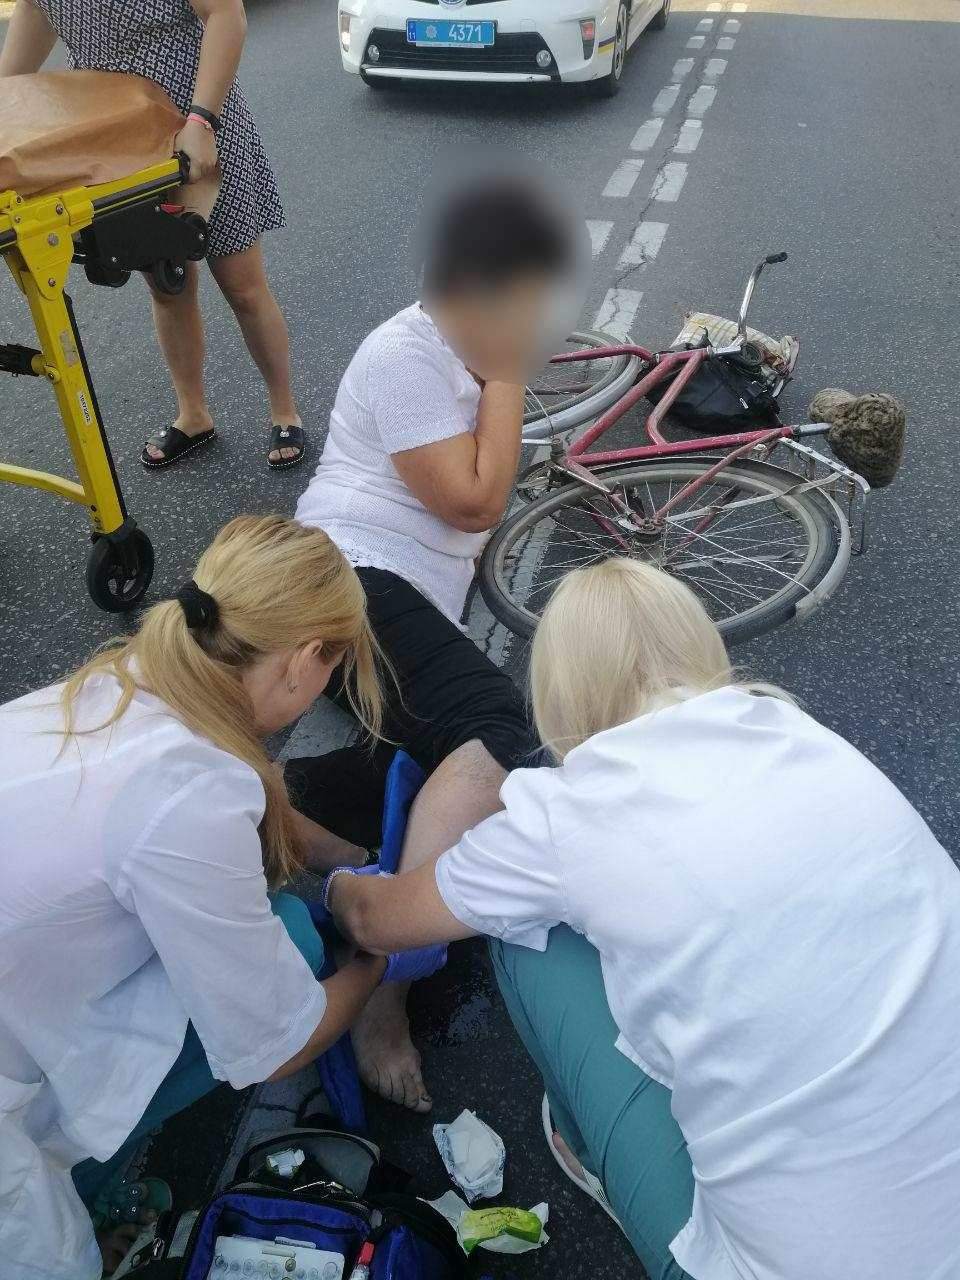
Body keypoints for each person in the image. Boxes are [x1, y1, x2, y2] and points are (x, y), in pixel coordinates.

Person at [325, 558, 960, 1280]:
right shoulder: (794, 730)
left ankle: (586, 1148)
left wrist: (341, 877)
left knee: (522, 933)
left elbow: (380, 923)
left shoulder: (563, 815)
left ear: (560, 689)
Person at [0, 515, 440, 1280]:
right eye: (335, 666)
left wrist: (354, 861)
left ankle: (78, 1179)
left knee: (281, 930)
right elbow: (276, 1050)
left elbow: (249, 799)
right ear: (305, 660)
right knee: (296, 945)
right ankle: (79, 1189)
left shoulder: (132, 678)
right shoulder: (186, 796)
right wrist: (375, 961)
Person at [286, 164, 587, 1113]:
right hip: (349, 575)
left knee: (427, 763)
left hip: (396, 589)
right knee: (496, 729)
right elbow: (474, 499)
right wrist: (509, 377)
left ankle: (280, 816)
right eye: (519, 309)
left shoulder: (472, 348)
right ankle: (388, 977)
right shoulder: (405, 356)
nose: (533, 328)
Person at [0, 0, 306, 469]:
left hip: (197, 120)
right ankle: (194, 415)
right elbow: (33, 20)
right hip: (116, 138)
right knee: (168, 283)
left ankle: (284, 410)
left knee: (243, 285)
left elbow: (227, 15)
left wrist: (201, 120)